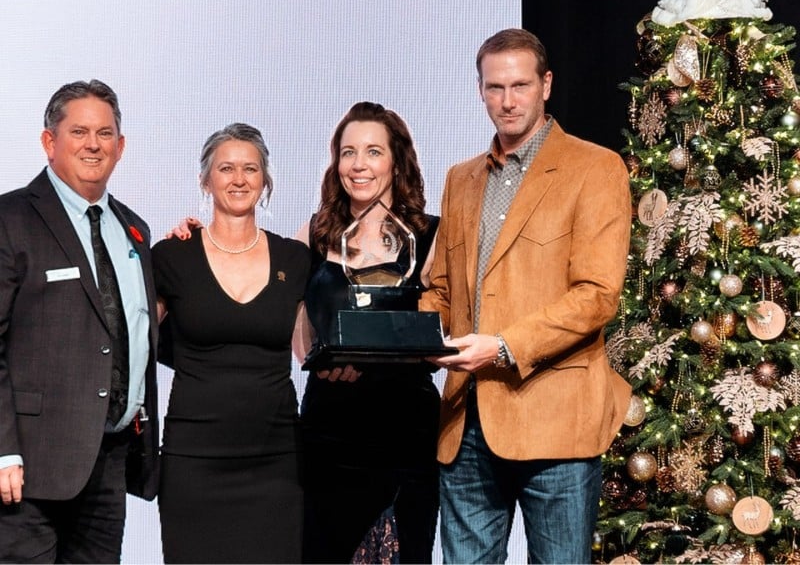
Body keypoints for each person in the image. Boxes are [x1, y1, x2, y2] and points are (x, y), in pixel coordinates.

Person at [421, 28, 632, 564]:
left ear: (546, 85)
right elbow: (439, 286)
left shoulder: (595, 168)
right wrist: (426, 337)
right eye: (495, 87)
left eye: (519, 85)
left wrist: (504, 346)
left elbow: (597, 295)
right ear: (480, 91)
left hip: (556, 423)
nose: (507, 101)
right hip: (466, 422)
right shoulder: (461, 178)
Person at [0, 79, 159, 563]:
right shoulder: (10, 219)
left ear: (121, 145)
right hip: (27, 468)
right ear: (50, 142)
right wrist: (3, 450)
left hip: (108, 462)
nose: (94, 144)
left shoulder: (134, 229)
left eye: (105, 133)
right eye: (79, 132)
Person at [152, 123, 310, 563]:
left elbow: (309, 350)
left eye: (250, 169)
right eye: (226, 168)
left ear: (264, 180)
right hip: (193, 461)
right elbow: (135, 342)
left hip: (276, 461)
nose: (239, 179)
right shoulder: (172, 256)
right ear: (206, 179)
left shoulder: (295, 259)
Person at [293, 101, 440, 563]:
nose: (359, 165)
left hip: (404, 432)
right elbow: (295, 329)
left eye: (373, 152)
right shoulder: (314, 234)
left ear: (397, 162)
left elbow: (443, 326)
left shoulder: (431, 236)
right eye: (348, 152)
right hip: (329, 431)